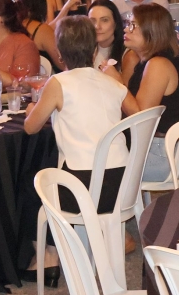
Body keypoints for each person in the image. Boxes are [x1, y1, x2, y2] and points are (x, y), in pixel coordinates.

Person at [24, 16, 137, 266]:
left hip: (82, 191)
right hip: (122, 184)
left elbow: (31, 127)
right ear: (95, 50)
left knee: (29, 182)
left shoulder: (58, 83)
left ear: (59, 54)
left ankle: (48, 257)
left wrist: (33, 108)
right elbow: (139, 115)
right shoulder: (112, 82)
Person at [122, 4, 179, 184]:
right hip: (151, 145)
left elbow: (140, 118)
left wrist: (116, 84)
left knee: (92, 160)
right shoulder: (146, 61)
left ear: (152, 31)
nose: (126, 29)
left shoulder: (158, 65)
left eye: (133, 25)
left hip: (159, 155)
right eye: (127, 23)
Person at [16, 0, 65, 72]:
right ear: (43, 7)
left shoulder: (13, 25)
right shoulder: (42, 30)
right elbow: (61, 63)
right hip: (39, 77)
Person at [89, 0, 127, 80]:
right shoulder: (84, 50)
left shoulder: (127, 55)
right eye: (92, 21)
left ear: (115, 23)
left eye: (104, 20)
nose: (97, 26)